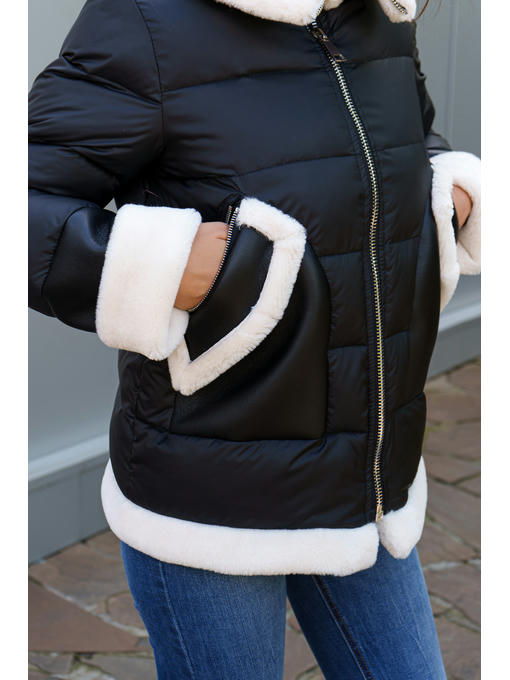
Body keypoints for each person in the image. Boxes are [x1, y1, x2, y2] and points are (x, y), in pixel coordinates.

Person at [28, 0, 481, 677]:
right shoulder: (147, 20)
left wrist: (446, 194)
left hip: (366, 483)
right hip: (211, 497)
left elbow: (397, 144)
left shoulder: (383, 16)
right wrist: (168, 264)